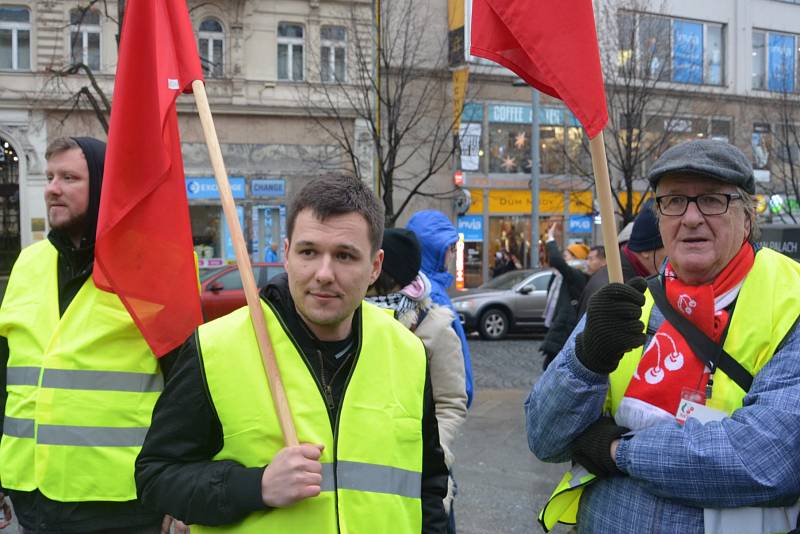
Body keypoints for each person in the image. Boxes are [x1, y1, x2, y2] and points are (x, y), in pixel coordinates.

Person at [135, 176, 449, 532]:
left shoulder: (407, 351)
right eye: (308, 252)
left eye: (345, 255)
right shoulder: (216, 349)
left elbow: (429, 487)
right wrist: (255, 487)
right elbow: (155, 478)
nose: (324, 274)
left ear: (375, 266)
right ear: (286, 254)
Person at [528, 139, 800, 533]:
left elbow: (766, 461)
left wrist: (616, 450)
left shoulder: (790, 304)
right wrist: (586, 362)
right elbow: (544, 437)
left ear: (747, 217)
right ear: (659, 218)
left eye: (710, 200)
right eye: (673, 201)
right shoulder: (628, 302)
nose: (690, 218)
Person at [0, 137, 183, 533]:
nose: (52, 188)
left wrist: (182, 490)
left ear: (103, 185)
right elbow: (6, 375)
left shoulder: (147, 266)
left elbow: (188, 388)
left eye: (69, 177)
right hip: (32, 496)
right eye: (49, 177)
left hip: (120, 501)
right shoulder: (29, 263)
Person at [365, 228, 468, 528]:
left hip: (421, 471)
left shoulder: (435, 328)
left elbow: (451, 402)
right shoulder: (353, 317)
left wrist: (437, 454)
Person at [407, 210, 474, 408]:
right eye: (451, 247)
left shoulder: (412, 285)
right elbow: (456, 363)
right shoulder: (432, 294)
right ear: (435, 250)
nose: (453, 254)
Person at [577, 200, 667, 317]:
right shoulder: (610, 288)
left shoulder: (631, 277)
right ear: (646, 251)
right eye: (668, 248)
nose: (674, 258)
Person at [540, 223, 589, 370]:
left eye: (566, 255)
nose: (563, 258)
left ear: (576, 258)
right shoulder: (563, 275)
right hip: (560, 326)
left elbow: (556, 260)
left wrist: (550, 238)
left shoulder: (578, 275)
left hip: (565, 328)